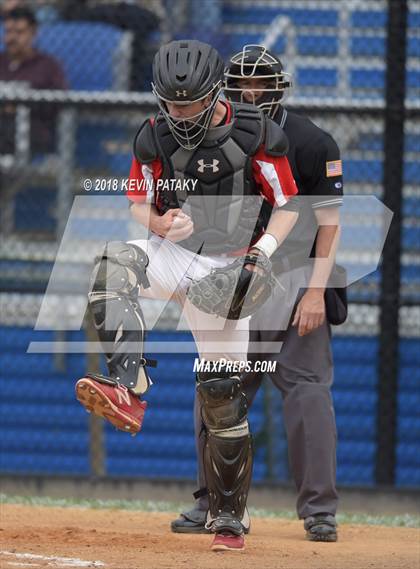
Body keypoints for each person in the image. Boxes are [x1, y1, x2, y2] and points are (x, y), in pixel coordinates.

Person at [75, 39, 299, 552]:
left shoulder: (257, 134)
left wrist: (261, 253)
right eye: (173, 103)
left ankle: (229, 517)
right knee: (113, 264)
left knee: (222, 396)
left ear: (216, 91)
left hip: (233, 263)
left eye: (194, 102)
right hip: (179, 252)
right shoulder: (153, 137)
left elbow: (290, 205)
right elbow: (137, 201)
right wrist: (159, 221)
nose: (182, 113)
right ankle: (128, 388)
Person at [171, 44, 345, 543]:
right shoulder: (204, 138)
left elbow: (330, 226)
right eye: (241, 84)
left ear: (278, 88)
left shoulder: (311, 140)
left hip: (293, 278)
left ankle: (319, 511)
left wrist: (315, 292)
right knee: (217, 387)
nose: (251, 93)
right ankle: (212, 503)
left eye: (261, 85)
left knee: (308, 391)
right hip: (230, 276)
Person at [0, 6, 67, 155]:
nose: (12, 38)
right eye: (8, 32)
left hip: (31, 129)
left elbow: (59, 103)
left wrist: (20, 106)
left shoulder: (48, 66)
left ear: (33, 33)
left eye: (19, 32)